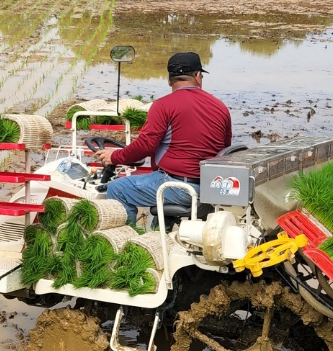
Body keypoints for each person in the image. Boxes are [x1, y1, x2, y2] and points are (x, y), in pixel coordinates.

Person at [92, 51, 231, 226]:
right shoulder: (221, 107)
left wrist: (115, 156)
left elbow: (146, 145)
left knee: (117, 188)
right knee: (158, 180)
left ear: (169, 79)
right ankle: (158, 236)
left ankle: (128, 242)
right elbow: (226, 148)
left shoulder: (163, 105)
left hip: (180, 187)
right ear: (198, 76)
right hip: (211, 187)